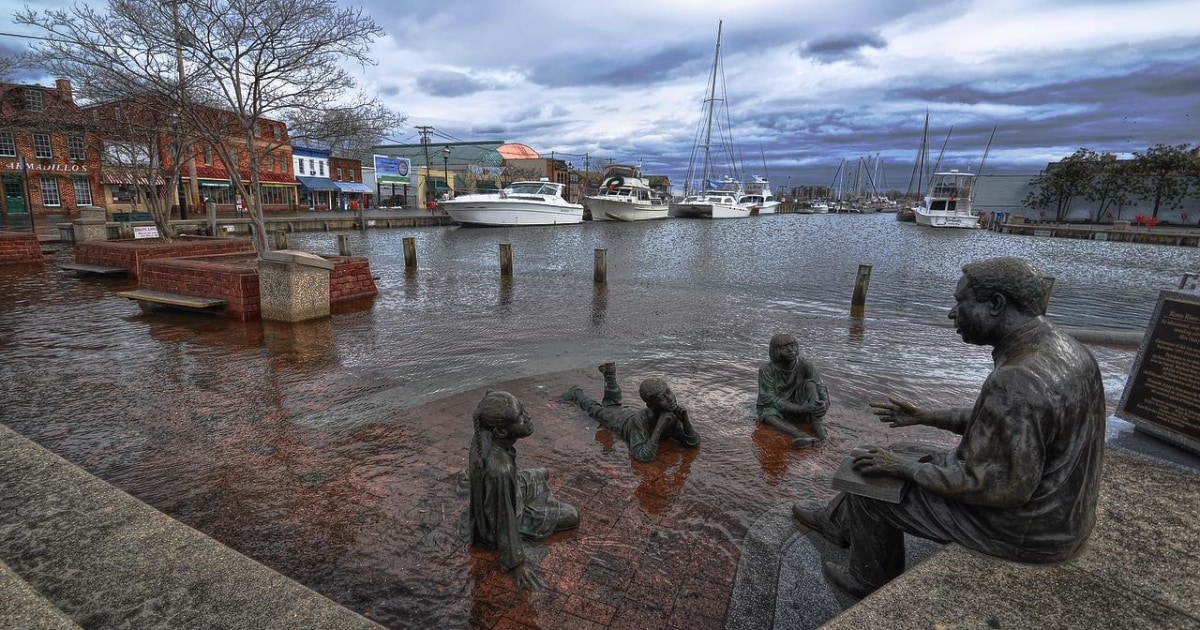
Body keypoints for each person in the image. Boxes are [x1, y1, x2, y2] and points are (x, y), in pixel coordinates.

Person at [792, 257, 1106, 598]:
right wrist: (926, 416)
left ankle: (868, 580)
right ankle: (836, 522)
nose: (952, 313)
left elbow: (995, 488)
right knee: (893, 452)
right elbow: (1006, 423)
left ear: (996, 304)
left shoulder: (1016, 378)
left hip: (1026, 530)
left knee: (873, 490)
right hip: (1063, 514)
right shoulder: (1065, 348)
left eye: (961, 302)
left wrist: (904, 469)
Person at [468, 390, 579, 590]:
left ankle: (532, 495)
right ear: (501, 431)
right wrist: (517, 565)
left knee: (542, 473)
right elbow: (505, 521)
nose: (528, 417)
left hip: (512, 491)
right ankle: (536, 509)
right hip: (509, 516)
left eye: (523, 409)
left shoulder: (480, 437)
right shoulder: (500, 469)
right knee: (572, 516)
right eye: (520, 416)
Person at [563, 363, 700, 462]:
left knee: (613, 404)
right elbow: (643, 455)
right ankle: (576, 393)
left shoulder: (671, 413)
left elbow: (693, 442)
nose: (670, 398)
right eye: (662, 398)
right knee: (597, 410)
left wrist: (685, 418)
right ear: (651, 405)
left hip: (627, 412)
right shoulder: (641, 420)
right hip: (620, 420)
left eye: (669, 392)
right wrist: (660, 427)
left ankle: (610, 375)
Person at [756, 333, 830, 448]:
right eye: (784, 347)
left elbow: (820, 387)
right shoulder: (767, 369)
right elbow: (767, 397)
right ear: (775, 351)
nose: (791, 350)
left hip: (798, 401)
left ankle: (819, 427)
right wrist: (798, 409)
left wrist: (824, 404)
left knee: (810, 384)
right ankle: (801, 435)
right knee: (767, 414)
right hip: (777, 407)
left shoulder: (805, 365)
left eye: (793, 346)